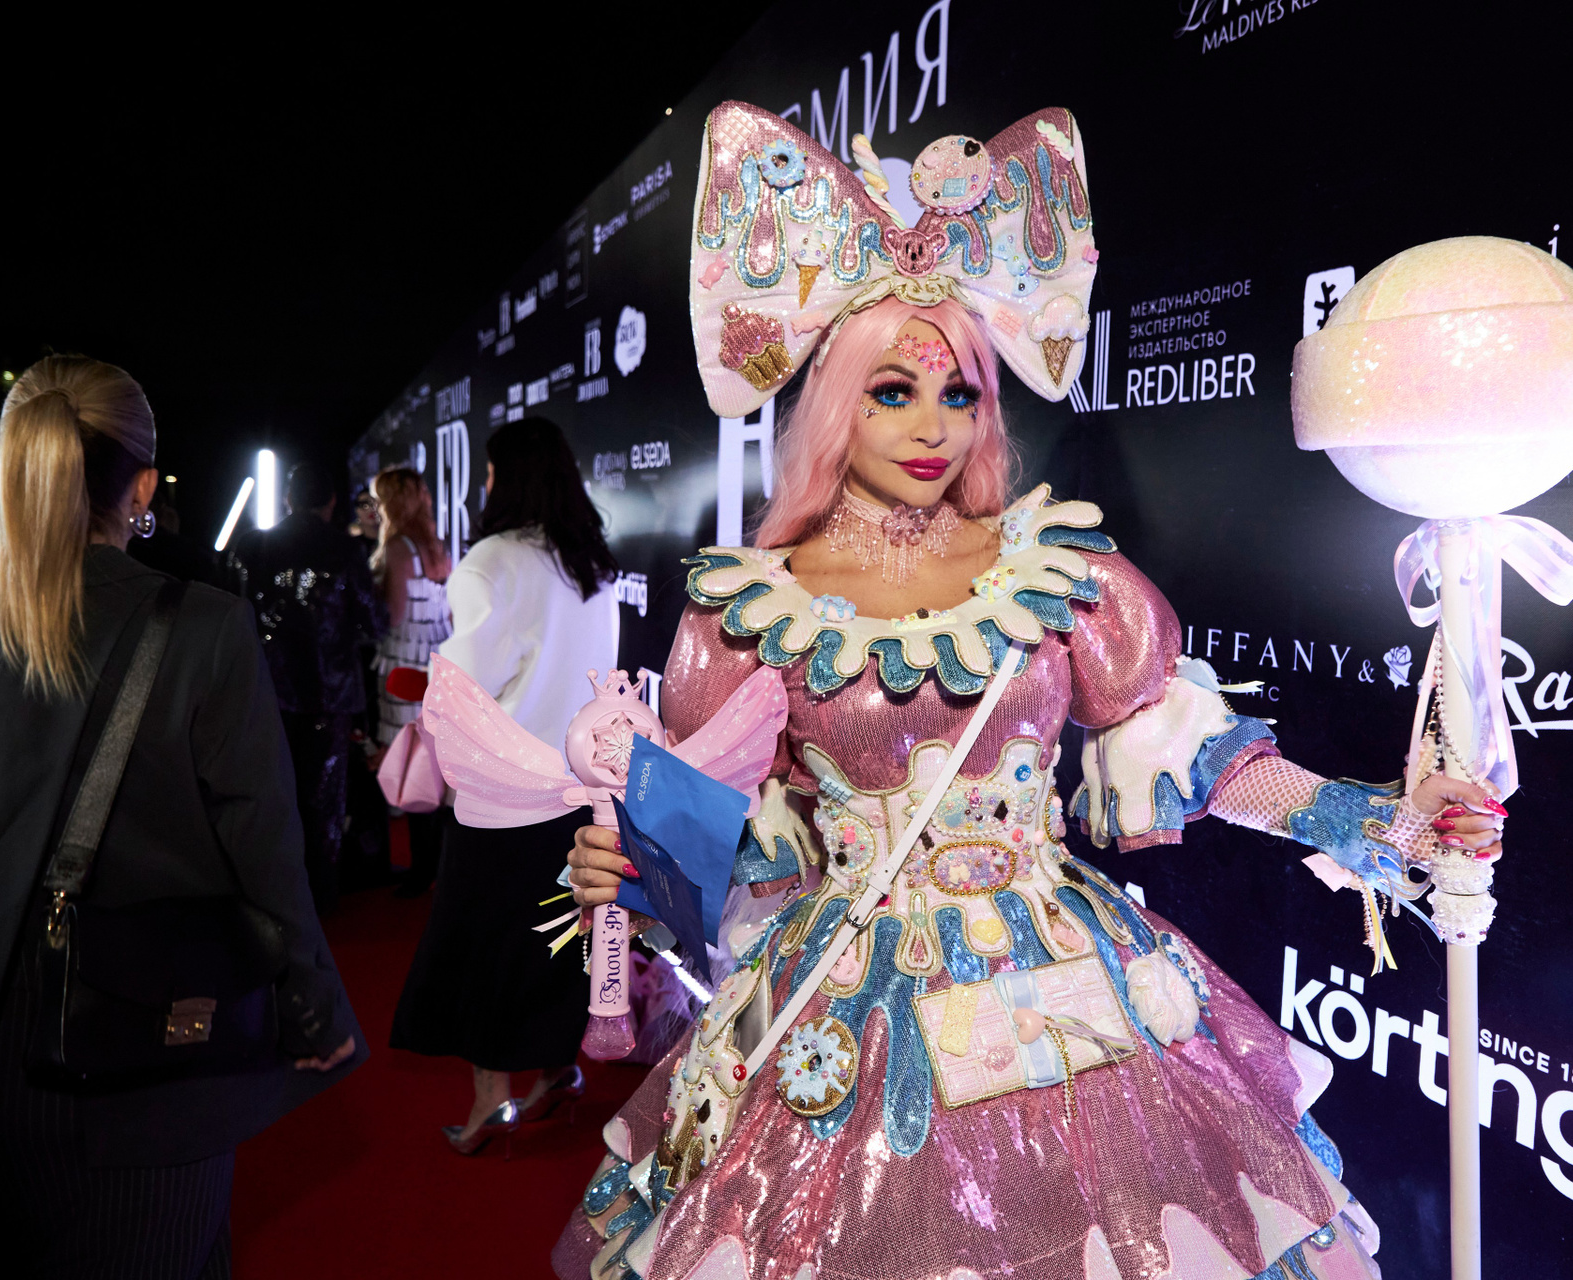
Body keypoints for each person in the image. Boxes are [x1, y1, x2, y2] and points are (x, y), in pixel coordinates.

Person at [535, 104, 1508, 1280]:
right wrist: (634, 879)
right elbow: (724, 853)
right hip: (846, 1018)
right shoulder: (749, 609)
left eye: (961, 394)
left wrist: (1382, 823)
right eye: (893, 391)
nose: (934, 427)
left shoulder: (1055, 573)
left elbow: (1188, 752)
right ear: (836, 400)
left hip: (1067, 997)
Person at [0, 355, 362, 1277]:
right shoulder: (205, 629)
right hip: (146, 1066)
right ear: (142, 489)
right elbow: (264, 849)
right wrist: (315, 1008)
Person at [391, 418, 620, 1153]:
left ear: (506, 478)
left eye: (488, 473)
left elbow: (464, 688)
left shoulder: (492, 562)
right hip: (579, 790)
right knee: (557, 940)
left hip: (501, 797)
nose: (482, 485)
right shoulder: (588, 563)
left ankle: (492, 1099)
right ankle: (557, 1071)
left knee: (482, 945)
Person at [231, 463, 387, 913]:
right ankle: (318, 897)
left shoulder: (252, 545)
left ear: (288, 498)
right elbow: (372, 621)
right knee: (322, 801)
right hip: (327, 694)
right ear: (332, 501)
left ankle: (269, 894)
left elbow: (232, 619)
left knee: (268, 793)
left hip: (265, 692)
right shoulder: (345, 549)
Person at [369, 466, 452, 895]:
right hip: (437, 667)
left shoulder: (398, 548)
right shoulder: (438, 546)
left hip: (403, 668)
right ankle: (432, 866)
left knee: (410, 764)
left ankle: (419, 872)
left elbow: (395, 615)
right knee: (434, 766)